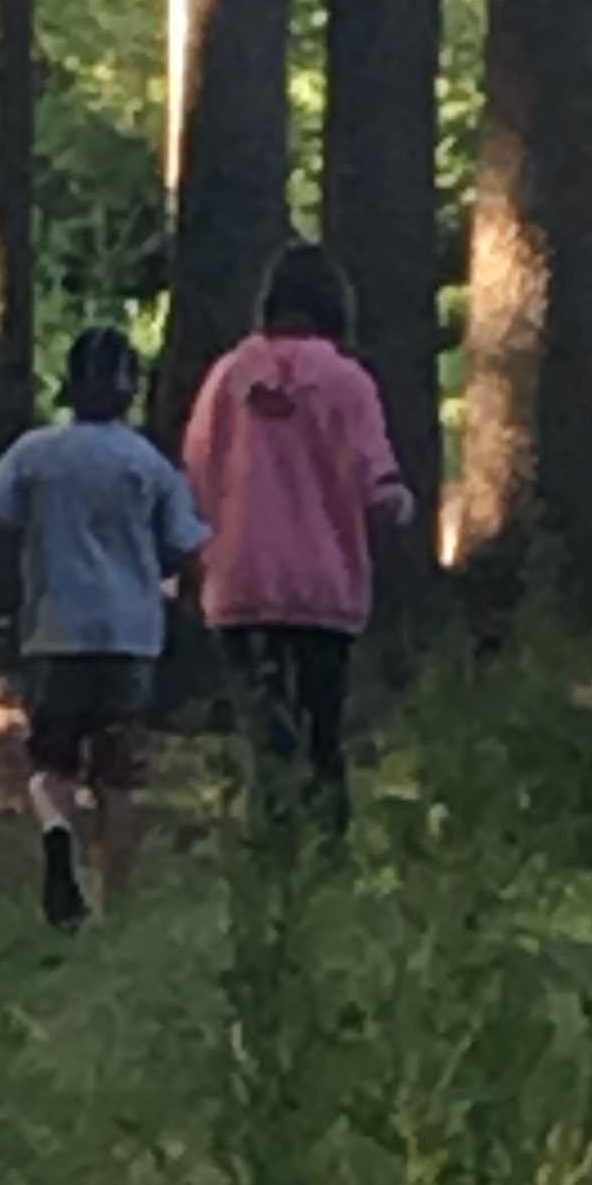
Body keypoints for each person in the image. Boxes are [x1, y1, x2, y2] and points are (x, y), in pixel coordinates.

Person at [0, 323, 210, 930]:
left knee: (50, 764)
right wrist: (195, 605)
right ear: (130, 388)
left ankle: (58, 832)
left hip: (54, 628)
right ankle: (113, 905)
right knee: (120, 774)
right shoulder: (147, 463)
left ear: (71, 384)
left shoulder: (34, 453)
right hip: (130, 634)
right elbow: (189, 547)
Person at [183, 241, 414, 826]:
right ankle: (327, 844)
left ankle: (269, 837)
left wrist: (199, 547)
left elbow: (197, 469)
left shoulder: (226, 379)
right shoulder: (347, 382)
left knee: (263, 726)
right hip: (324, 586)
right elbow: (376, 478)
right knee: (323, 728)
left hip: (240, 582)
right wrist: (397, 504)